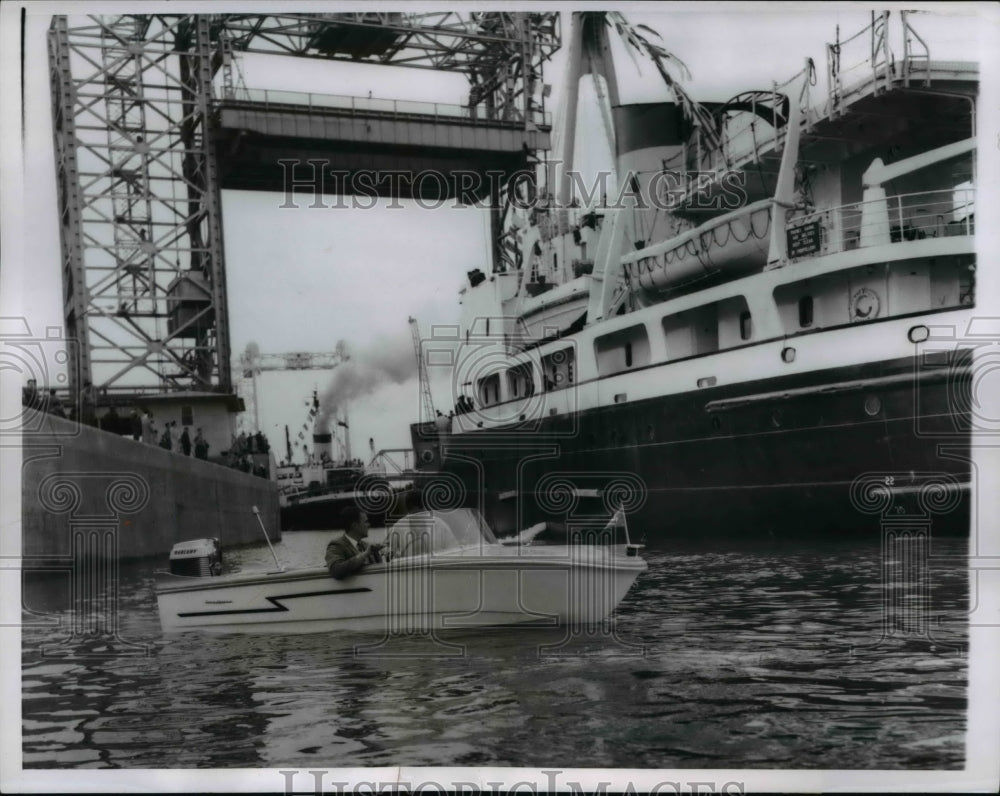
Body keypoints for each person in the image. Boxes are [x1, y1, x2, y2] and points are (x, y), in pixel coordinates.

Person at [325, 506, 384, 579]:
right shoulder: (336, 545)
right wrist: (365, 554)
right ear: (355, 526)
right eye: (366, 522)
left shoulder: (366, 545)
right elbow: (336, 570)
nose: (369, 525)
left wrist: (378, 554)